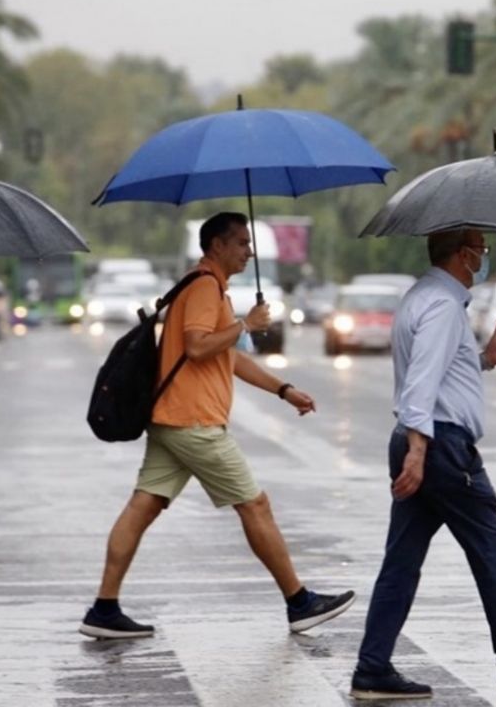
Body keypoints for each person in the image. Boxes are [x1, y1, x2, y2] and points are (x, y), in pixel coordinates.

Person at [78, 212, 354, 640]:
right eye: (242, 243)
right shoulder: (205, 286)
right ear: (217, 246)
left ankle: (104, 608)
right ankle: (300, 603)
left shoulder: (208, 287)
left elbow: (231, 357)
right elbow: (198, 345)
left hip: (173, 420)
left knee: (141, 508)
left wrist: (283, 389)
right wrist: (246, 324)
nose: (249, 251)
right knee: (255, 506)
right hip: (194, 423)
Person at [350, 228, 496, 701]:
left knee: (402, 562)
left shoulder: (424, 296)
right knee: (493, 550)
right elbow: (421, 382)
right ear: (462, 254)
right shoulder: (440, 306)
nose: (484, 259)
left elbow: (444, 370)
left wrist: (484, 359)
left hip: (423, 442)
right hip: (439, 446)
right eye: (481, 250)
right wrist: (419, 449)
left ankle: (372, 667)